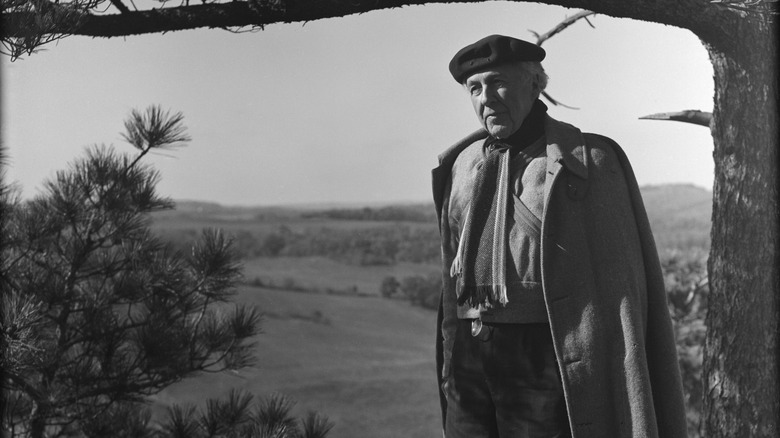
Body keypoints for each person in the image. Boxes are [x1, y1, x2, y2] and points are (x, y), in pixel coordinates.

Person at [432, 34, 688, 438]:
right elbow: (451, 279)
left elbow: (621, 291)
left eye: (498, 81)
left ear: (535, 84)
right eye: (474, 88)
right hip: (470, 356)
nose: (486, 98)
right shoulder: (462, 166)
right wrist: (451, 360)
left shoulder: (590, 160)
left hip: (545, 352)